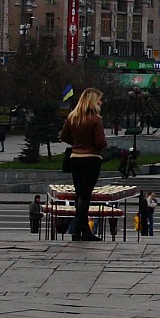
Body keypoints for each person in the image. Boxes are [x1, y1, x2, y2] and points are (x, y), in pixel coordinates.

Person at [60, 89, 107, 242]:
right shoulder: (96, 119)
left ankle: (84, 231)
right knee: (86, 195)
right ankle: (77, 230)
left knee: (80, 194)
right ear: (93, 101)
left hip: (75, 158)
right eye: (99, 99)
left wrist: (77, 144)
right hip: (91, 158)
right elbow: (100, 143)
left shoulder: (73, 117)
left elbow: (64, 136)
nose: (101, 102)